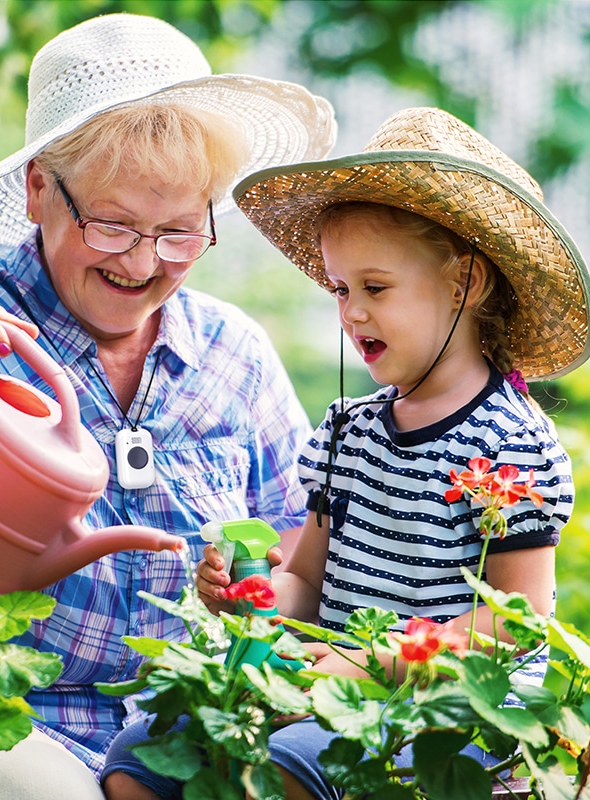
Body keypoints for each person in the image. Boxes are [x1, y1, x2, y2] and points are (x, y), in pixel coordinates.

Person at [0, 13, 337, 800]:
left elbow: (292, 554)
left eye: (180, 233)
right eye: (113, 226)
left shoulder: (232, 354)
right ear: (40, 186)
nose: (145, 263)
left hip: (161, 740)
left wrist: (252, 589)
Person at [101, 107, 589, 800]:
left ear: (465, 284)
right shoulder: (347, 430)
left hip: (450, 715)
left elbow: (514, 624)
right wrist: (255, 597)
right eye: (339, 288)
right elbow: (307, 583)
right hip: (330, 690)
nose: (350, 313)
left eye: (375, 289)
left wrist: (375, 664)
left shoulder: (511, 446)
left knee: (285, 769)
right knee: (139, 756)